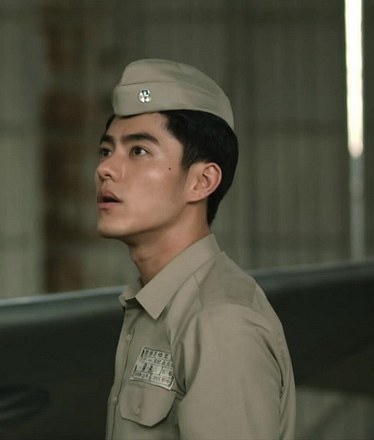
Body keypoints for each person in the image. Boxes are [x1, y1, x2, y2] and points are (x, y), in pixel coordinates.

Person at [99, 59, 296, 439]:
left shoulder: (220, 322)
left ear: (203, 181)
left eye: (138, 151)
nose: (106, 169)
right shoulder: (158, 307)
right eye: (106, 150)